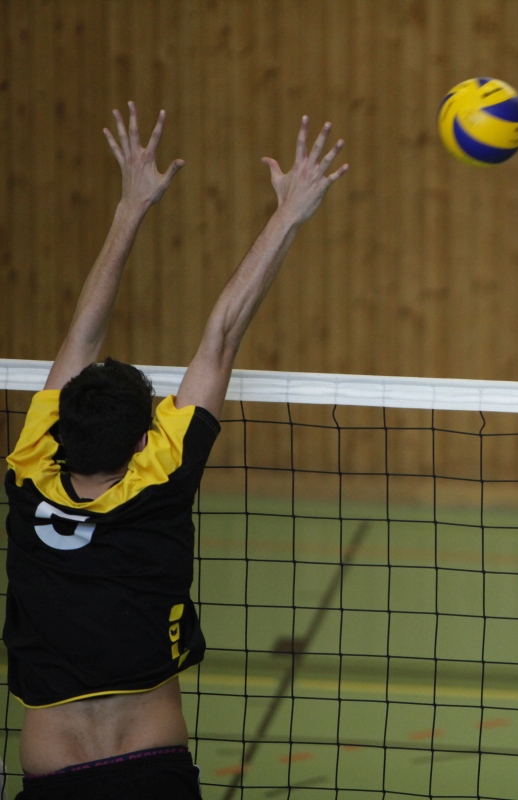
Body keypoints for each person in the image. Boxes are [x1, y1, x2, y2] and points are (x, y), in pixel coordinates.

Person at [3, 103, 347, 798]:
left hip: (51, 775)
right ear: (142, 442)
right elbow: (221, 334)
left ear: (59, 428)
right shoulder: (159, 479)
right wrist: (287, 214)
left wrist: (129, 207)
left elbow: (81, 333)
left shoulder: (29, 471)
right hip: (151, 769)